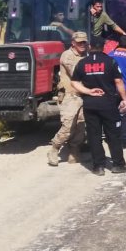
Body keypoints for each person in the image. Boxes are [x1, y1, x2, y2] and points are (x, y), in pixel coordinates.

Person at [70, 46, 126, 175]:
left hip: (90, 105)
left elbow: (74, 82)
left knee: (94, 136)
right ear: (103, 48)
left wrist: (88, 91)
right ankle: (118, 164)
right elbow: (118, 81)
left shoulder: (82, 62)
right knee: (113, 135)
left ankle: (98, 166)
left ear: (89, 47)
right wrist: (124, 99)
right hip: (108, 104)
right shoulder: (110, 61)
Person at [46, 30, 89, 167]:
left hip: (84, 95)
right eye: (79, 42)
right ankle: (54, 149)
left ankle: (74, 151)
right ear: (73, 43)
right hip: (71, 96)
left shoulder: (86, 55)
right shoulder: (67, 55)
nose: (82, 44)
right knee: (68, 126)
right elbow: (77, 73)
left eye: (84, 42)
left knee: (81, 126)